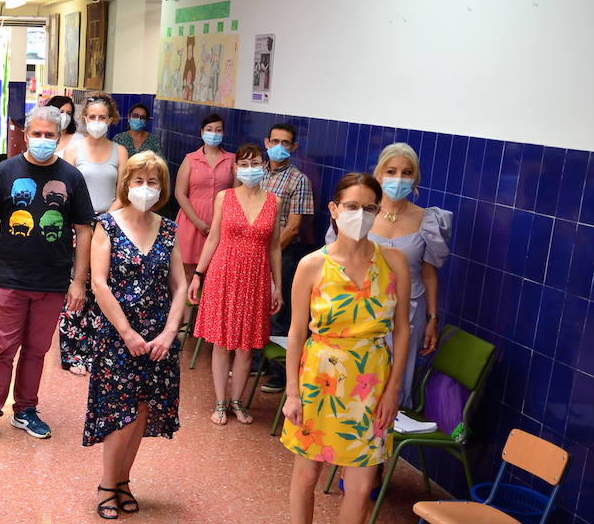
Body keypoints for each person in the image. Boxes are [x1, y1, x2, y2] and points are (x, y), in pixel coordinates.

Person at [280, 172, 410, 524]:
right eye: (351, 206)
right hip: (321, 379)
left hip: (372, 380)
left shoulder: (393, 262)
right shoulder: (312, 264)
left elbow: (403, 330)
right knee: (308, 473)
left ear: (379, 212)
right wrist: (293, 392)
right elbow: (296, 333)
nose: (360, 215)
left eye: (369, 208)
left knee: (361, 482)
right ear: (334, 210)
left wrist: (393, 390)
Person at [0, 105, 95, 444]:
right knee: (1, 349)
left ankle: (26, 409)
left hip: (54, 280)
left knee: (36, 350)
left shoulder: (72, 177)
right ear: (25, 135)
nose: (43, 140)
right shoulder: (5, 172)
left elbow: (84, 231)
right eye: (37, 134)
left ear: (59, 138)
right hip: (11, 277)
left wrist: (78, 281)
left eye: (49, 135)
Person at [85, 151, 186, 519]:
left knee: (142, 409)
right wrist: (127, 333)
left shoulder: (169, 228)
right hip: (118, 335)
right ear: (126, 185)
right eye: (139, 181)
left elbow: (180, 286)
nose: (145, 188)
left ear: (162, 188)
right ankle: (107, 485)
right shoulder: (107, 225)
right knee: (121, 412)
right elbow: (99, 284)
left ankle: (125, 480)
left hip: (158, 337)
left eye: (153, 182)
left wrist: (169, 333)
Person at [326, 142, 451, 407]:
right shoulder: (360, 214)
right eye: (391, 171)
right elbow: (336, 261)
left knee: (396, 381)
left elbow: (428, 272)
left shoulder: (427, 220)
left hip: (410, 312)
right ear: (379, 174)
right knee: (355, 381)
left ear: (415, 177)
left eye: (407, 172)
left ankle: (388, 440)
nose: (399, 178)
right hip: (361, 310)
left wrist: (432, 318)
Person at [188, 144, 282, 426]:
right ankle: (219, 401)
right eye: (244, 164)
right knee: (220, 342)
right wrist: (198, 275)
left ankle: (237, 401)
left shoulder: (274, 201)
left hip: (256, 277)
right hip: (223, 274)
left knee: (246, 345)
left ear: (264, 167)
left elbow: (275, 246)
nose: (250, 168)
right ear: (236, 168)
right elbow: (213, 238)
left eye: (255, 163)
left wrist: (277, 285)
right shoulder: (224, 197)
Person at [58, 92, 128, 376]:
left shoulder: (119, 151)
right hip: (78, 225)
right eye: (92, 117)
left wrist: (106, 219)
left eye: (103, 117)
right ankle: (73, 352)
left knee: (102, 287)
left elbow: (123, 191)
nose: (97, 122)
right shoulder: (75, 149)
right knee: (77, 286)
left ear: (111, 119)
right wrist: (83, 221)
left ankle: (98, 350)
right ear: (84, 119)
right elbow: (64, 190)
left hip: (109, 224)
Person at [258, 122, 315, 394]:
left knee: (278, 312)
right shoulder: (256, 173)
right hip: (254, 251)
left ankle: (281, 373)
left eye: (286, 143)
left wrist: (266, 252)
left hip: (283, 253)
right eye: (275, 141)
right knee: (256, 308)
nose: (279, 147)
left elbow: (293, 228)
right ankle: (258, 361)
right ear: (266, 142)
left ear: (293, 147)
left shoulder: (299, 180)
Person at [173, 112, 234, 281]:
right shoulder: (191, 159)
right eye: (209, 129)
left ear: (223, 133)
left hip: (220, 222)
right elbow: (180, 193)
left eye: (218, 130)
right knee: (188, 272)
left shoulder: (231, 160)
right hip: (191, 220)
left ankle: (205, 307)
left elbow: (236, 194)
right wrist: (198, 222)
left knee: (212, 272)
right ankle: (185, 307)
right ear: (202, 132)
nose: (213, 133)